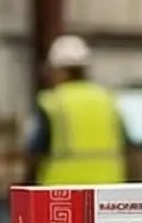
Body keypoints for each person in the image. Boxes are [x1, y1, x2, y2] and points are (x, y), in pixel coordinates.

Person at [28, 35, 130, 186]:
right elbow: (129, 147)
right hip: (108, 191)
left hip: (62, 192)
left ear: (61, 71)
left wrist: (25, 184)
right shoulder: (108, 99)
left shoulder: (53, 103)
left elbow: (35, 151)